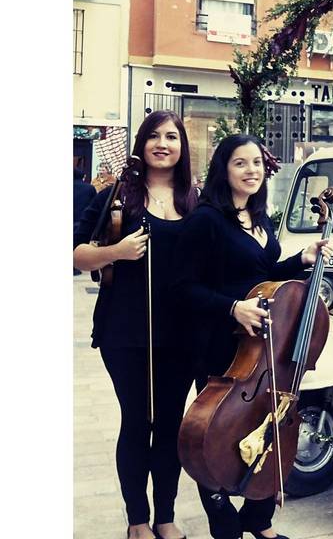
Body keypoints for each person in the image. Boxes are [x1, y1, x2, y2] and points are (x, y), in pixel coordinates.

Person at [174, 134, 332, 539]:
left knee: (272, 424)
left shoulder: (259, 219)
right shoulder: (205, 220)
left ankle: (259, 522)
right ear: (223, 169)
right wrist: (232, 307)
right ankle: (223, 521)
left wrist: (301, 260)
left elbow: (262, 276)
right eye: (241, 163)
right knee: (213, 434)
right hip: (222, 347)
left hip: (265, 351)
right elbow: (183, 288)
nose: (252, 171)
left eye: (257, 163)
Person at [73, 111, 198, 539]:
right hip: (125, 331)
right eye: (154, 136)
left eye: (172, 136)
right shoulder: (117, 196)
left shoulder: (194, 200)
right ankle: (137, 521)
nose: (163, 144)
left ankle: (165, 516)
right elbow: (77, 253)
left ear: (182, 147)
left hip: (181, 334)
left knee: (170, 424)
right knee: (136, 420)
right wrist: (118, 251)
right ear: (142, 144)